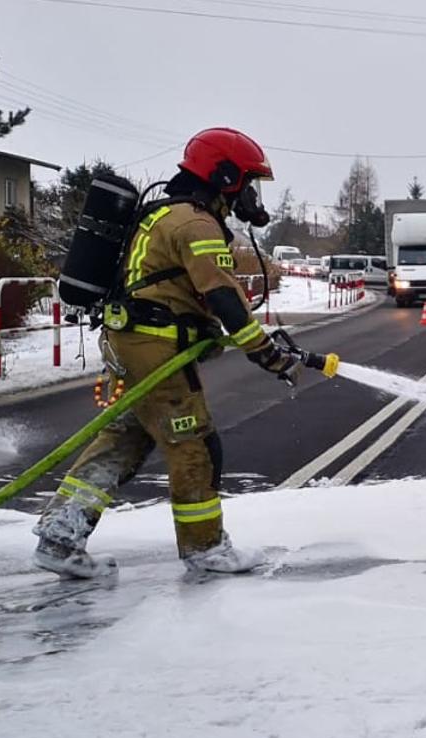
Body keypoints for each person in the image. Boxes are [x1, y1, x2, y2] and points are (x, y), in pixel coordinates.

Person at [32, 127, 314, 579]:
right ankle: (205, 548)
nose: (251, 195)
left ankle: (60, 536)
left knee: (126, 438)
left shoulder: (169, 213)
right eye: (247, 182)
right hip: (154, 348)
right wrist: (264, 352)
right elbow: (223, 296)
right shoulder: (195, 223)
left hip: (131, 341)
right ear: (224, 176)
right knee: (193, 443)